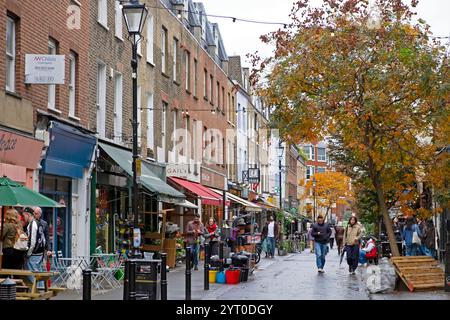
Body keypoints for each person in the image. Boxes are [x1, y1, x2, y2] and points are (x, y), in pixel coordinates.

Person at [23, 207, 46, 286]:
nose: (23, 217)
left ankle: (36, 292)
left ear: (28, 214)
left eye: (24, 215)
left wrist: (28, 253)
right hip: (39, 253)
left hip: (34, 254)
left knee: (32, 274)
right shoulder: (38, 223)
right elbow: (44, 240)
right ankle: (41, 291)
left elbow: (32, 242)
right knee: (38, 273)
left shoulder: (32, 224)